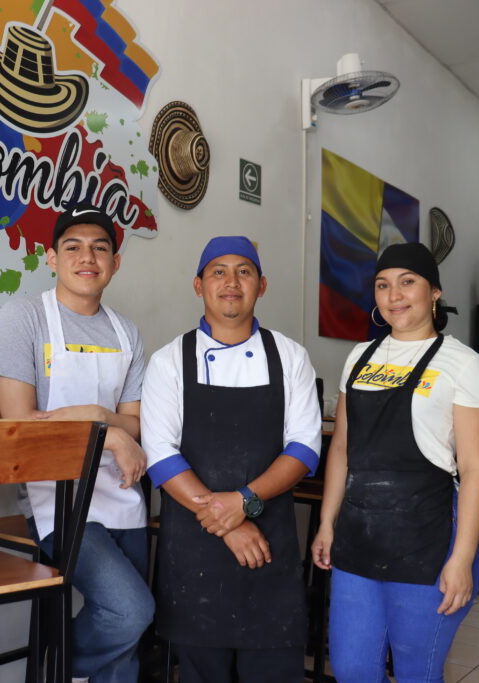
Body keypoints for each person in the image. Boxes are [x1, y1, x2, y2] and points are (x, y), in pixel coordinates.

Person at [0, 203, 154, 683]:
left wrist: (102, 419)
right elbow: (22, 425)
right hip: (54, 497)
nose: (87, 257)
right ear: (53, 258)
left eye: (100, 248)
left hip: (122, 490)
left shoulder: (127, 332)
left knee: (128, 640)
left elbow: (136, 425)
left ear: (115, 262)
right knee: (130, 611)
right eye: (73, 246)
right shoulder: (24, 318)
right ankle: (53, 672)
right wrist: (109, 429)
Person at [311, 242, 479, 682]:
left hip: (428, 540)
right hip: (359, 537)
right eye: (382, 285)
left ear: (434, 292)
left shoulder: (464, 365)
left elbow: (475, 470)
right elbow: (342, 449)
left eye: (407, 282)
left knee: (417, 671)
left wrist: (461, 559)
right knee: (353, 669)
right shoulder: (360, 356)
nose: (394, 295)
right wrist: (327, 523)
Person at [141, 236, 322, 683]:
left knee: (275, 671)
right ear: (198, 285)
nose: (231, 282)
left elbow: (304, 447)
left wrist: (244, 502)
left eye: (244, 271)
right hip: (196, 546)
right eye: (218, 272)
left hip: (269, 543)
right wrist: (228, 521)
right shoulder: (169, 360)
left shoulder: (290, 356)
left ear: (262, 285)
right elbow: (160, 454)